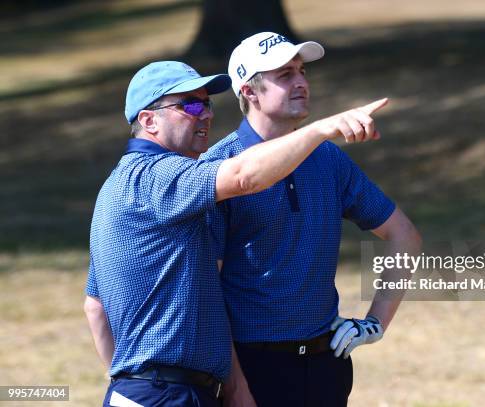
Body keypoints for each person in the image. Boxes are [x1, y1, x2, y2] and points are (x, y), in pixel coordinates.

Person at [83, 60, 389, 407]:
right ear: (148, 120)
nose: (205, 114)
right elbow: (244, 176)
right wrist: (321, 130)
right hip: (168, 395)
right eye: (190, 105)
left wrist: (128, 388)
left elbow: (95, 307)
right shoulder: (158, 178)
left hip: (148, 393)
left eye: (208, 104)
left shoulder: (117, 186)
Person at [202, 32, 422, 407]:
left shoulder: (329, 160)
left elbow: (404, 236)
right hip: (253, 370)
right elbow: (205, 293)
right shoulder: (217, 171)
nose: (301, 81)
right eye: (284, 75)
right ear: (249, 92)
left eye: (301, 71)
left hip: (326, 366)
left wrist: (375, 324)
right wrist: (236, 387)